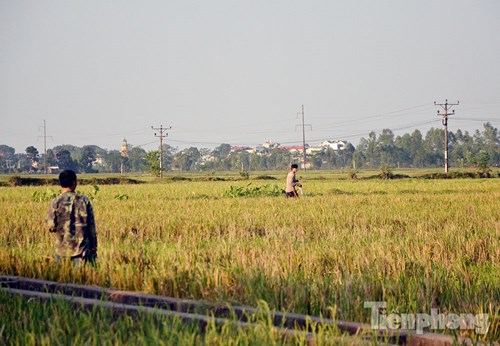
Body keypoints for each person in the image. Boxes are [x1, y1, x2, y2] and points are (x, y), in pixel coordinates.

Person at [46, 170, 97, 265]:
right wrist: (93, 249)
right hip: (81, 250)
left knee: (61, 278)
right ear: (74, 183)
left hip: (62, 249)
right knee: (80, 279)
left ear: (60, 183)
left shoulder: (56, 202)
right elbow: (91, 228)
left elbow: (51, 226)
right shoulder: (84, 201)